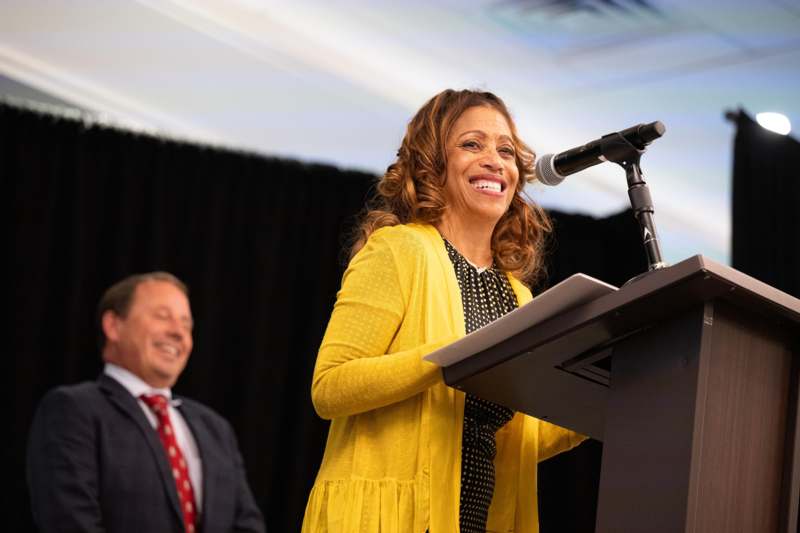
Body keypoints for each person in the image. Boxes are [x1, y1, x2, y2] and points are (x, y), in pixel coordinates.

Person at [302, 89, 586, 533]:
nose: (495, 160)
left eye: (506, 150)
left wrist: (601, 406)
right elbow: (330, 386)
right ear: (432, 163)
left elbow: (512, 438)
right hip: (385, 519)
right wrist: (451, 356)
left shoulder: (517, 296)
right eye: (472, 144)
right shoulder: (398, 250)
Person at [27, 272, 266, 533]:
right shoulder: (73, 410)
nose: (178, 332)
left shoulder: (216, 429)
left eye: (187, 325)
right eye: (163, 316)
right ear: (113, 326)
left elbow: (248, 525)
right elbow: (70, 522)